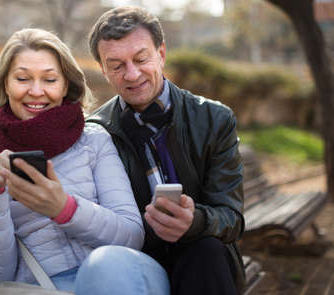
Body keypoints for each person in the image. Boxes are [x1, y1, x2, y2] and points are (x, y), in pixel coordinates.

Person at [0, 28, 169, 294]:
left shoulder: (93, 141)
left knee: (105, 266)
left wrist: (63, 208)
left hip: (121, 274)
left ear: (66, 85)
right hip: (43, 288)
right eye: (23, 78)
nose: (36, 91)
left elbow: (131, 236)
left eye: (49, 79)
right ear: (4, 84)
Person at [86, 6, 245, 295]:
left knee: (206, 251)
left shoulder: (214, 119)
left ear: (161, 54)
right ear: (103, 70)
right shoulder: (95, 132)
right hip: (137, 257)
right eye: (117, 65)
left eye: (140, 58)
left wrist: (194, 221)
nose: (132, 75)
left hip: (203, 256)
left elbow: (231, 218)